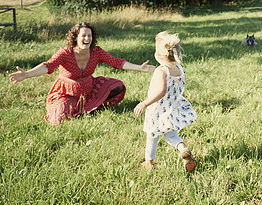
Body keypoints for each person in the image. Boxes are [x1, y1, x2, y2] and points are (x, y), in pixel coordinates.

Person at [9, 22, 155, 125]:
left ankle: (88, 107)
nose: (87, 38)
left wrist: (139, 68)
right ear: (76, 37)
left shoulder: (96, 52)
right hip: (66, 93)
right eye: (83, 35)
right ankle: (84, 109)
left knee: (118, 87)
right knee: (56, 120)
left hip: (88, 89)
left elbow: (116, 62)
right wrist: (27, 74)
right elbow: (48, 66)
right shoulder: (66, 52)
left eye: (89, 35)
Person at [134, 31, 198, 172]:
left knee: (152, 136)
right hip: (173, 108)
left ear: (158, 54)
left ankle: (148, 163)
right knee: (172, 135)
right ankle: (183, 150)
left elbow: (161, 91)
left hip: (157, 110)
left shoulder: (161, 71)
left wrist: (144, 103)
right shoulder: (179, 69)